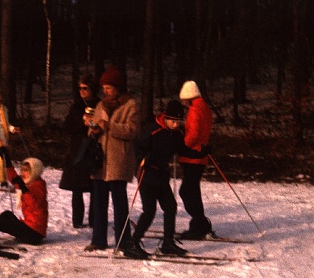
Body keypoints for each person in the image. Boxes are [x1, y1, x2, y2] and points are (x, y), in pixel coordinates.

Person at [83, 66, 140, 252]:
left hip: (118, 161)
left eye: (109, 87)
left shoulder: (131, 105)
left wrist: (109, 126)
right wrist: (92, 127)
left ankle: (123, 241)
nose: (106, 91)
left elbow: (132, 131)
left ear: (118, 87)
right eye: (104, 88)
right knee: (99, 203)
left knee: (119, 204)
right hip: (100, 160)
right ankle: (98, 240)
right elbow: (95, 130)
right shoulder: (100, 105)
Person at [124, 100, 189, 259]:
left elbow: (182, 150)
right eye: (172, 121)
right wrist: (142, 159)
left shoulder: (178, 133)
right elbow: (137, 145)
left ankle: (167, 244)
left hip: (161, 174)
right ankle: (132, 244)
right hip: (147, 174)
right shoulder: (153, 130)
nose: (175, 124)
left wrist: (200, 152)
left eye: (178, 121)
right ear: (166, 118)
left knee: (170, 207)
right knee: (150, 210)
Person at [176, 80, 216, 239]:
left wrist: (179, 146)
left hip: (192, 156)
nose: (184, 103)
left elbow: (193, 134)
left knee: (186, 191)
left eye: (184, 99)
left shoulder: (194, 110)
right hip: (201, 155)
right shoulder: (205, 108)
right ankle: (201, 224)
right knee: (192, 191)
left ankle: (200, 224)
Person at [59, 74, 98, 228]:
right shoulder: (75, 106)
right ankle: (77, 220)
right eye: (80, 88)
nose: (82, 91)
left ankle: (94, 220)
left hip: (94, 149)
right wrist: (82, 123)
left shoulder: (99, 104)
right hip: (77, 150)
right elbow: (67, 127)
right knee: (77, 188)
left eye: (85, 88)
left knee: (95, 187)